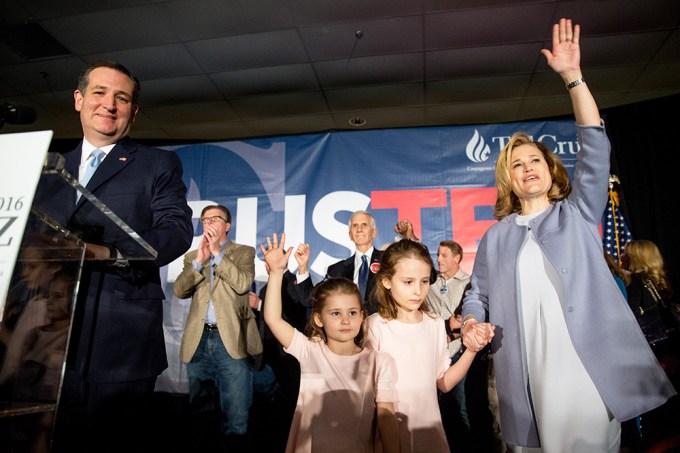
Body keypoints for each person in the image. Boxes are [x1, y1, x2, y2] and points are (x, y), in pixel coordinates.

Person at [461, 19, 676, 452]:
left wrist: (572, 78)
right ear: (509, 181)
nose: (528, 168)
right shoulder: (496, 237)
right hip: (526, 368)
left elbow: (595, 146)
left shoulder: (577, 213)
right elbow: (477, 294)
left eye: (535, 159)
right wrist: (469, 321)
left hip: (586, 366)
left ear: (550, 169)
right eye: (517, 165)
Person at [34, 60, 194, 453]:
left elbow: (175, 231)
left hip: (119, 342)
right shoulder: (45, 168)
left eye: (121, 98)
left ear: (133, 112)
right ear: (78, 100)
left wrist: (109, 252)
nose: (109, 104)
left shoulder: (157, 164)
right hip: (43, 340)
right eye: (99, 93)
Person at [261, 232, 400, 453]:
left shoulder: (379, 362)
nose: (346, 320)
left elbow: (386, 419)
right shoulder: (309, 351)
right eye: (335, 313)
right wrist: (277, 272)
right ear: (318, 319)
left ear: (363, 315)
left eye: (353, 312)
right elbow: (273, 319)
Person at [365, 238, 492, 452]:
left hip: (430, 438)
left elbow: (444, 382)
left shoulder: (433, 323)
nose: (418, 290)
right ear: (387, 281)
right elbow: (372, 394)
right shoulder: (375, 326)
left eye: (424, 281)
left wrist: (471, 349)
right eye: (408, 282)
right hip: (388, 440)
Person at [173, 204, 261, 452]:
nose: (208, 223)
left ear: (227, 225)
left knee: (236, 417)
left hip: (230, 340)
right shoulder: (193, 256)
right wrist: (200, 261)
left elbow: (243, 284)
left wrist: (217, 254)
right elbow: (180, 291)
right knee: (201, 416)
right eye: (204, 219)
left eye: (215, 218)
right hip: (199, 340)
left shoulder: (244, 252)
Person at [248, 242, 314, 452]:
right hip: (266, 358)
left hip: (288, 359)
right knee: (263, 408)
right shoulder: (267, 286)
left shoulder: (292, 283)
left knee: (289, 410)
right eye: (267, 261)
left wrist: (259, 305)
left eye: (273, 260)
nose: (270, 264)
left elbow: (298, 308)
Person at [622, 239, 680, 451]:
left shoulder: (637, 282)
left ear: (636, 257)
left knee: (656, 408)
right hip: (670, 347)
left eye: (626, 254)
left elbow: (632, 315)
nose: (622, 257)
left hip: (653, 352)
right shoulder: (663, 281)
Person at [325, 210, 382, 314]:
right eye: (355, 226)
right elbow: (312, 299)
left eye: (364, 225)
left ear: (374, 233)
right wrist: (303, 267)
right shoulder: (336, 270)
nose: (359, 229)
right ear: (350, 235)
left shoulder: (388, 260)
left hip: (382, 324)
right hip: (350, 325)